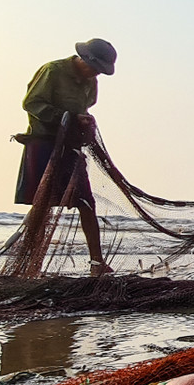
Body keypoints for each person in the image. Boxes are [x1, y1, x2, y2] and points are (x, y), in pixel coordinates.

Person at [14, 39, 117, 277]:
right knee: (42, 204)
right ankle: (31, 263)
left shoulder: (92, 82)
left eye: (100, 70)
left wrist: (82, 119)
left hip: (69, 147)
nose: (95, 73)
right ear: (83, 59)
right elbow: (31, 103)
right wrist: (66, 116)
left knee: (86, 201)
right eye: (94, 67)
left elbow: (87, 106)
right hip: (44, 144)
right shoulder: (53, 71)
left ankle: (97, 262)